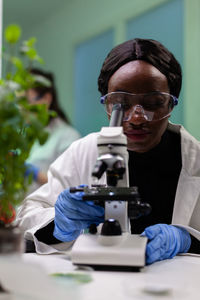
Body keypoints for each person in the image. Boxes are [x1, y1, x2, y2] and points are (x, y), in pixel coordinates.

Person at [17, 39, 200, 264]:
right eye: (120, 103)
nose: (136, 118)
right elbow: (27, 216)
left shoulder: (196, 160)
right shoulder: (83, 152)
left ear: (171, 105)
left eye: (153, 102)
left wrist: (188, 239)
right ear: (107, 105)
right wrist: (59, 223)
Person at [24, 68, 81, 194]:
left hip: (49, 211)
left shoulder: (68, 137)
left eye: (26, 102)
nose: (21, 109)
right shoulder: (25, 134)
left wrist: (35, 174)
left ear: (46, 99)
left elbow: (70, 187)